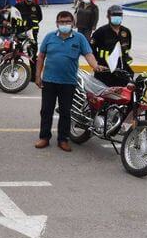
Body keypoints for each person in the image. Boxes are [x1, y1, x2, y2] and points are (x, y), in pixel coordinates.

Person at [35, 11, 105, 152]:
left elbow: (88, 54)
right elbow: (41, 57)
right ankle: (44, 137)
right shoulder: (49, 37)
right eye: (62, 22)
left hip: (69, 82)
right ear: (57, 23)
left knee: (66, 112)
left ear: (73, 23)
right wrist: (37, 75)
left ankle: (63, 139)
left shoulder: (79, 38)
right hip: (49, 81)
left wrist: (95, 66)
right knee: (46, 111)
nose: (65, 24)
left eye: (67, 22)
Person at [91, 5, 134, 87]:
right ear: (108, 16)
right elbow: (90, 48)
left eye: (119, 15)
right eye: (114, 15)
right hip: (104, 70)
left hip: (122, 70)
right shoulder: (101, 31)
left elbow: (127, 49)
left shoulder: (126, 32)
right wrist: (96, 63)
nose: (117, 17)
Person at [15, 0, 43, 79]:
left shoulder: (36, 7)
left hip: (32, 34)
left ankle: (33, 76)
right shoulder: (18, 6)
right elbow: (13, 18)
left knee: (32, 55)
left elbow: (39, 18)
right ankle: (13, 71)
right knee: (16, 52)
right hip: (20, 33)